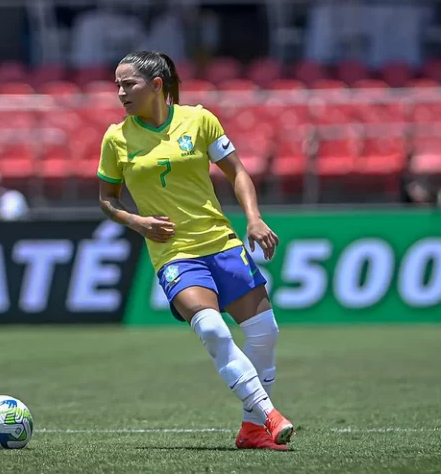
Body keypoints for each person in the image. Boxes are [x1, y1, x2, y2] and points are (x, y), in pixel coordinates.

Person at [97, 50, 294, 451]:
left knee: (265, 333)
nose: (120, 92)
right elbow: (107, 199)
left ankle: (251, 429)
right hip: (174, 254)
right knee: (210, 328)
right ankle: (268, 414)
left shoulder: (200, 120)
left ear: (156, 85)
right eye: (117, 84)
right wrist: (138, 222)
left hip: (221, 243)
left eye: (127, 83)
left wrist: (253, 219)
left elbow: (237, 172)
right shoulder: (116, 138)